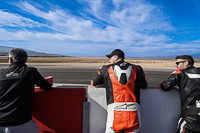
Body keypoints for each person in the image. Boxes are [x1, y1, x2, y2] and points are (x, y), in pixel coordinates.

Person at [91, 49, 148, 133]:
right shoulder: (138, 68)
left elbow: (94, 83)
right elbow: (145, 86)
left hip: (114, 110)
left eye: (110, 58)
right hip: (134, 110)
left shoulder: (105, 69)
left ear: (116, 57)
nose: (110, 60)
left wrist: (107, 82)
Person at [0, 48, 52, 133]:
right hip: (19, 123)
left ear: (10, 59)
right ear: (25, 60)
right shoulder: (30, 71)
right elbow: (47, 87)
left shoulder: (1, 73)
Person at [159, 55, 200, 133]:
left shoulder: (181, 73)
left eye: (177, 63)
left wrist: (175, 74)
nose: (176, 65)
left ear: (186, 63)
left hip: (190, 117)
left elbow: (164, 86)